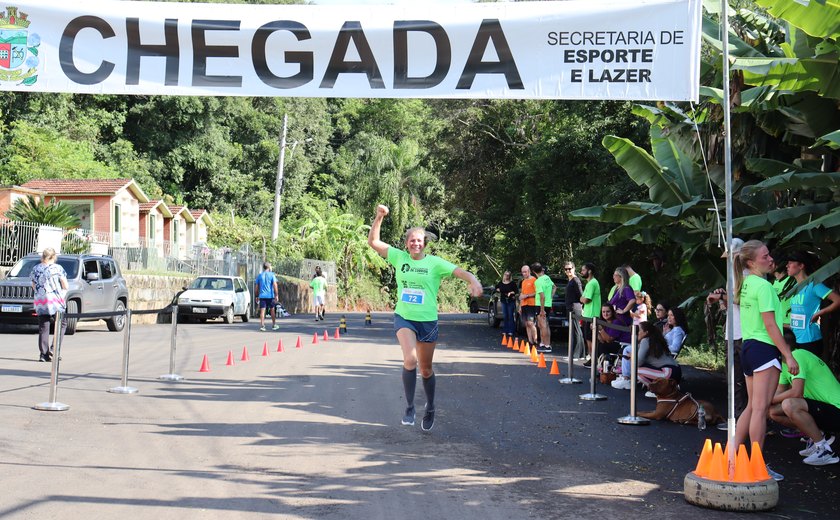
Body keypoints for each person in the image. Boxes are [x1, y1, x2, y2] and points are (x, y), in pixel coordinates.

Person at [367, 204, 482, 432]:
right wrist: (379, 217)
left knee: (426, 369)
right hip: (405, 318)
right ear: (407, 243)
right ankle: (410, 407)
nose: (415, 243)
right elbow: (373, 242)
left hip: (428, 321)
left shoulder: (435, 263)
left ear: (424, 243)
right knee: (410, 360)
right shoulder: (399, 258)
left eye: (419, 240)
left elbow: (460, 272)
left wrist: (474, 281)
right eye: (412, 240)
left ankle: (430, 407)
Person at [732, 240, 799, 482]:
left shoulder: (746, 283)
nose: (770, 259)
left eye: (769, 254)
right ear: (751, 262)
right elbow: (771, 325)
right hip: (763, 349)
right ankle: (756, 467)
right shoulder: (764, 287)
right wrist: (788, 354)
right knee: (760, 409)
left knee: (752, 407)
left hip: (749, 348)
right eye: (764, 256)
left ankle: (732, 457)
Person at [769, 348, 839, 466]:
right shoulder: (784, 365)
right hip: (823, 409)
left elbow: (797, 392)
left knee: (789, 405)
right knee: (773, 412)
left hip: (836, 409)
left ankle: (825, 451)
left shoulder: (797, 355)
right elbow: (778, 393)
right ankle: (820, 436)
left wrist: (768, 399)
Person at [785, 250, 840, 357]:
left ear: (801, 266)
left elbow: (837, 300)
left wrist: (819, 313)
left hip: (810, 339)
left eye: (790, 263)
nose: (787, 266)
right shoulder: (795, 289)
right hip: (795, 339)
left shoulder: (814, 285)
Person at [612, 321, 681, 390]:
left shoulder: (646, 340)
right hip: (674, 372)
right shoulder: (652, 340)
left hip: (669, 372)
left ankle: (659, 391)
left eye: (639, 330)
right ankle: (657, 390)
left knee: (635, 370)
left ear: (646, 332)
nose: (637, 332)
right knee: (638, 374)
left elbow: (638, 363)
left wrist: (631, 357)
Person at [30, 248, 68, 362]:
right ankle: (54, 349)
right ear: (54, 257)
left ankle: (43, 354)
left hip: (41, 301)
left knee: (43, 326)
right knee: (61, 324)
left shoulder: (36, 268)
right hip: (56, 301)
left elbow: (33, 285)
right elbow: (65, 285)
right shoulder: (58, 268)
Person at [580, 262, 601, 365]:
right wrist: (582, 299)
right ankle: (592, 358)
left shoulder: (593, 283)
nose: (582, 272)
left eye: (583, 270)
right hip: (587, 315)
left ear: (590, 271)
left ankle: (594, 360)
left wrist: (582, 299)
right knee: (588, 338)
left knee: (591, 339)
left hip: (592, 315)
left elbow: (586, 299)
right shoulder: (589, 283)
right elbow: (582, 298)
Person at [607, 267, 635, 345]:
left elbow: (632, 300)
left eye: (615, 275)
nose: (613, 277)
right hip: (615, 318)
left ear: (621, 277)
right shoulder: (617, 288)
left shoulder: (626, 288)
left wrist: (624, 310)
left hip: (621, 320)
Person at [564, 261, 585, 358]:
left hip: (575, 308)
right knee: (574, 331)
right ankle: (579, 354)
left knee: (576, 331)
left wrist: (582, 307)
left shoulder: (576, 280)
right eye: (566, 269)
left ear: (574, 268)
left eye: (570, 268)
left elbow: (581, 295)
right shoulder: (570, 280)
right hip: (570, 308)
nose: (568, 270)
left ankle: (576, 355)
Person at [533, 263, 555, 353]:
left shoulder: (538, 281)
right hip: (547, 304)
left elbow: (542, 296)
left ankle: (547, 346)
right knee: (543, 325)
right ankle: (543, 343)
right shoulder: (547, 277)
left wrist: (542, 310)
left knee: (543, 325)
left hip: (541, 305)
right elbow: (554, 287)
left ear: (534, 271)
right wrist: (551, 297)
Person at [254, 262, 279, 332]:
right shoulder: (272, 275)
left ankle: (262, 325)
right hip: (270, 296)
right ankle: (274, 325)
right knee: (272, 310)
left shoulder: (260, 275)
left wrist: (256, 296)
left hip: (262, 296)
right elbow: (275, 285)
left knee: (262, 311)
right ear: (269, 267)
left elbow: (256, 287)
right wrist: (276, 295)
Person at [519, 265, 538, 346]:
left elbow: (537, 292)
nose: (524, 274)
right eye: (522, 272)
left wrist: (527, 295)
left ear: (529, 271)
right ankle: (530, 341)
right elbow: (522, 294)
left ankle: (536, 340)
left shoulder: (534, 280)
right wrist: (520, 306)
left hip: (531, 304)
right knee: (526, 323)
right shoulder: (523, 282)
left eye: (525, 272)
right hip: (524, 304)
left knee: (531, 323)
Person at [495, 270, 518, 336]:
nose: (507, 276)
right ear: (504, 275)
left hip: (510, 300)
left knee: (510, 315)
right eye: (505, 275)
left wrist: (510, 293)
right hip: (503, 300)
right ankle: (505, 330)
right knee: (505, 316)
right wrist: (498, 290)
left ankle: (511, 330)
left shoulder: (512, 283)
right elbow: (496, 288)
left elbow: (516, 291)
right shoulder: (501, 283)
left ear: (510, 276)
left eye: (508, 275)